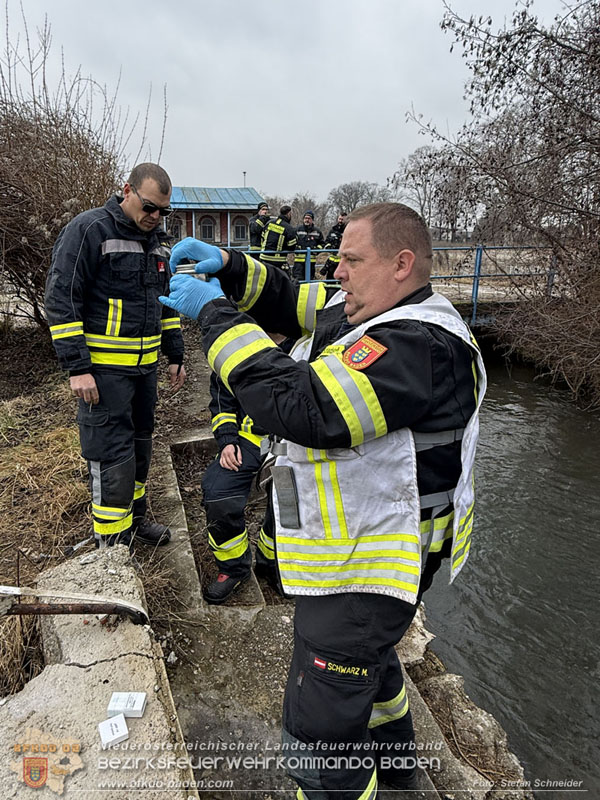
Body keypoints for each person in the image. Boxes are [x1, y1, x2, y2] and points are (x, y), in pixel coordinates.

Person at [164, 203, 486, 798]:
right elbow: (292, 301)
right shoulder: (374, 306)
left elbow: (306, 406)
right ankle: (398, 773)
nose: (336, 271)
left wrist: (212, 314)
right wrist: (232, 268)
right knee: (374, 667)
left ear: (401, 265)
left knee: (319, 740)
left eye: (351, 260)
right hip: (367, 561)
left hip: (367, 567)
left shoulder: (417, 345)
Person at [45, 163, 186, 549]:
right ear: (127, 190)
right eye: (149, 207)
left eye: (163, 211)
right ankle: (111, 548)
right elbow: (61, 299)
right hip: (103, 373)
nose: (155, 217)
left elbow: (166, 304)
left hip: (144, 373)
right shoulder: (89, 230)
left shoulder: (157, 243)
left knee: (140, 447)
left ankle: (135, 523)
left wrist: (175, 353)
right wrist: (78, 367)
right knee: (111, 455)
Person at [201, 372, 278, 603]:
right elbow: (222, 400)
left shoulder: (308, 344)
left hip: (291, 443)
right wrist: (227, 440)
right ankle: (234, 568)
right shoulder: (237, 347)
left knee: (287, 503)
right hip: (248, 440)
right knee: (218, 494)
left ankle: (273, 564)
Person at [260, 204, 297, 274]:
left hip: (263, 258)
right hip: (278, 261)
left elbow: (262, 237)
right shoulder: (289, 228)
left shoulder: (269, 223)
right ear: (289, 214)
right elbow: (292, 246)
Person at [293, 209, 325, 281]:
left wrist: (317, 249)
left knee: (309, 280)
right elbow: (291, 241)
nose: (307, 220)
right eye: (305, 218)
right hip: (299, 262)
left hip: (311, 262)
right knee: (297, 281)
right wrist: (296, 248)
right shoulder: (297, 230)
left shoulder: (317, 231)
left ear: (312, 220)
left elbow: (322, 243)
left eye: (309, 218)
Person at [322, 211, 348, 279]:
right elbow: (326, 242)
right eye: (339, 219)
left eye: (342, 219)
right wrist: (330, 247)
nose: (340, 221)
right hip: (331, 262)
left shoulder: (348, 230)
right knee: (330, 281)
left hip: (344, 262)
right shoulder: (333, 230)